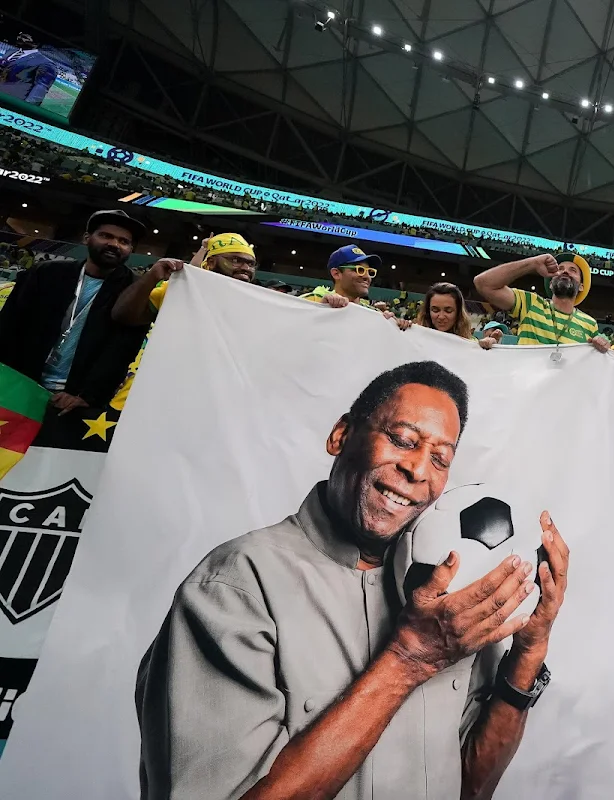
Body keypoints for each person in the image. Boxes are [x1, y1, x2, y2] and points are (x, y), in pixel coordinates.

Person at [136, 361, 571, 800]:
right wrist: (408, 660)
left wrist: (529, 650)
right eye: (403, 440)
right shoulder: (236, 586)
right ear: (341, 436)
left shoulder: (449, 600)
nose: (418, 470)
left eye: (440, 459)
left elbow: (471, 788)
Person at [0, 210, 150, 415]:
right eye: (106, 236)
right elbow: (10, 324)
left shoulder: (134, 292)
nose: (115, 244)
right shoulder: (46, 273)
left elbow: (122, 352)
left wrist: (89, 396)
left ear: (130, 249)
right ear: (87, 238)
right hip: (19, 383)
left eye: (124, 241)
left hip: (73, 400)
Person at [110, 233, 258, 409]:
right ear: (210, 263)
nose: (245, 268)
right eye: (235, 260)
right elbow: (123, 315)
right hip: (155, 392)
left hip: (208, 402)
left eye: (250, 264)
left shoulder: (257, 307)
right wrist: (152, 277)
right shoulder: (182, 290)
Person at [472, 253, 609, 351]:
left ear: (581, 286)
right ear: (551, 284)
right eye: (560, 269)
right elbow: (483, 284)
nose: (565, 272)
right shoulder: (531, 303)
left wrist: (606, 346)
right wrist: (533, 263)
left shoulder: (590, 324)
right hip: (527, 388)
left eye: (572, 270)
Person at [300, 245, 380, 308]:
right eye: (359, 270)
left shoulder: (373, 313)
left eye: (369, 272)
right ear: (336, 274)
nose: (367, 276)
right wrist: (319, 308)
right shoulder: (312, 300)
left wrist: (390, 322)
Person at [0, 32, 57, 107]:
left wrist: (25, 109)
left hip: (10, 102)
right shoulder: (10, 52)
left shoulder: (45, 63)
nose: (20, 37)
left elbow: (40, 90)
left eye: (25, 37)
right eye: (20, 35)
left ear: (36, 43)